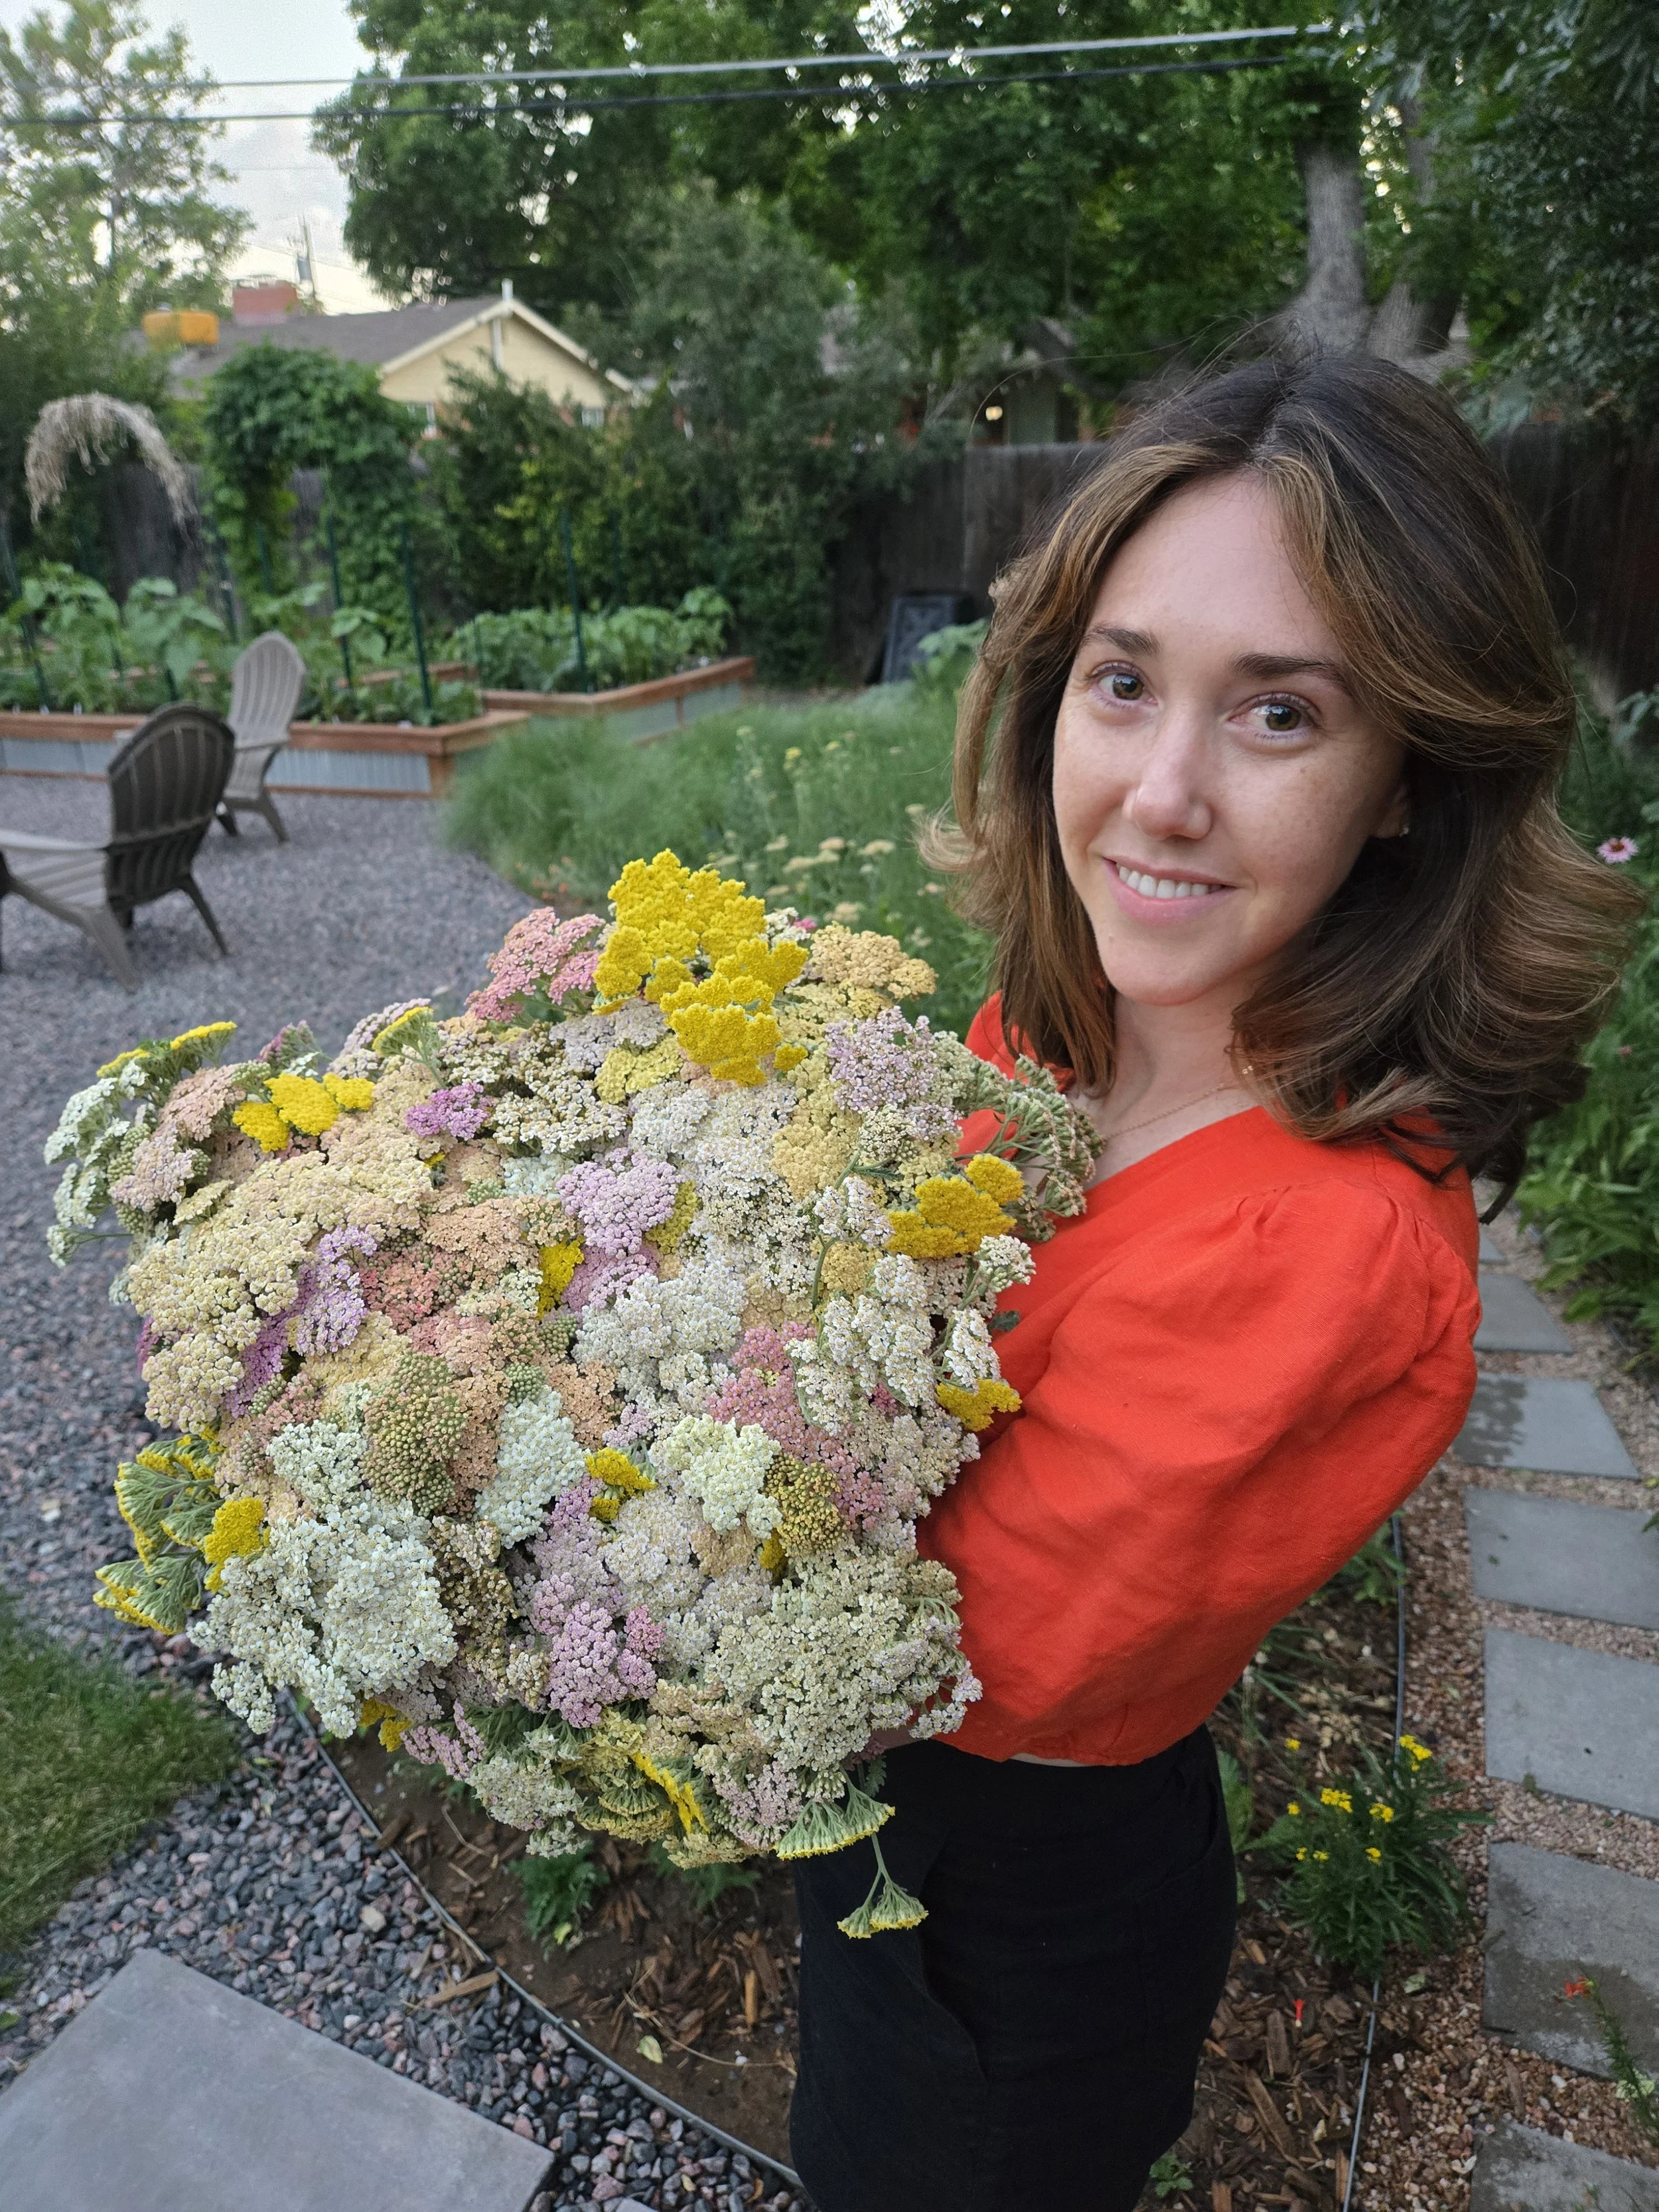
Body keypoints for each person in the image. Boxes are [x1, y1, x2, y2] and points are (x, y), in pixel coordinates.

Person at [786, 353, 1640, 2212]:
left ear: (1410, 779)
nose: (1156, 794)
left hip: (1000, 1919)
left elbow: (941, 1634)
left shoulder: (1328, 1251)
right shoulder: (1069, 1010)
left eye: (1273, 715)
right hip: (879, 1824)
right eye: (1123, 681)